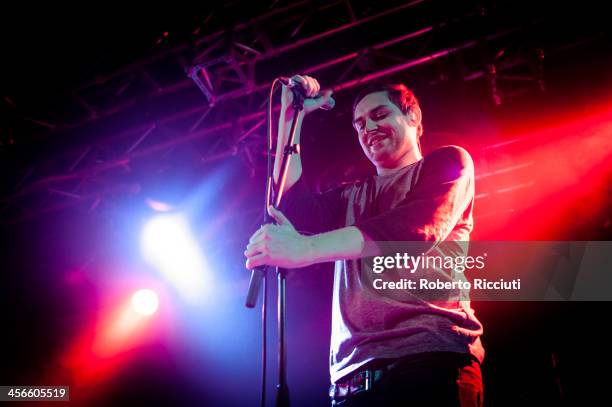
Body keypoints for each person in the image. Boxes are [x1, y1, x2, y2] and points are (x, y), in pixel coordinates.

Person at [244, 75, 485, 406]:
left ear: (413, 116)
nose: (368, 127)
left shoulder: (448, 163)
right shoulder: (352, 195)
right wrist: (290, 118)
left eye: (380, 115)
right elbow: (291, 208)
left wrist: (307, 249)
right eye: (359, 124)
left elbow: (415, 231)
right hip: (351, 377)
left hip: (429, 360)